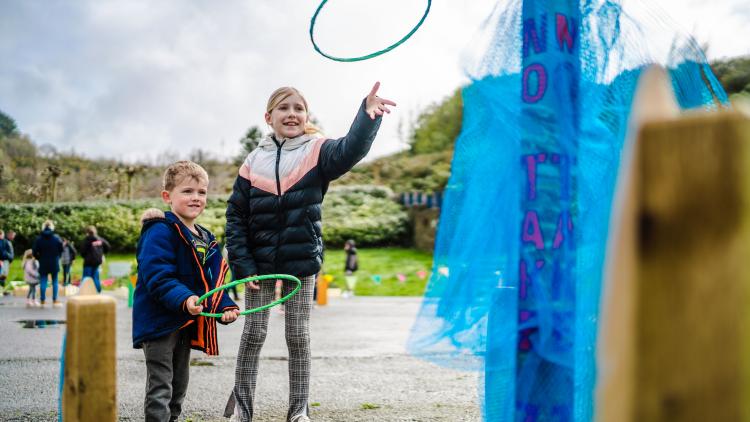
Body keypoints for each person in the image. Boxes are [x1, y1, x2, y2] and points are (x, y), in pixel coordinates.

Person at [224, 83, 395, 422]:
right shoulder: (251, 162)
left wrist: (366, 116)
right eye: (284, 108)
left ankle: (298, 411)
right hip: (257, 267)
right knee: (254, 333)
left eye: (298, 108)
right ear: (268, 117)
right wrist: (243, 266)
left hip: (300, 264)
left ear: (307, 116)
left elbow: (350, 150)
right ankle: (242, 411)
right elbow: (235, 217)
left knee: (298, 335)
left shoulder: (316, 151)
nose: (292, 114)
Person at [133, 161, 240, 422]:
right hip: (159, 323)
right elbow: (158, 276)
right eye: (188, 191)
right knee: (161, 386)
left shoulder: (205, 237)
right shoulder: (159, 231)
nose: (196, 198)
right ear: (167, 196)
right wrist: (185, 298)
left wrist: (225, 305)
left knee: (179, 386)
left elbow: (212, 284)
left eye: (201, 192)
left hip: (185, 321)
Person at [32, 220, 64, 307]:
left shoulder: (39, 239)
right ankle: (55, 300)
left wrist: (39, 258)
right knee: (55, 281)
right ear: (52, 227)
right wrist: (58, 256)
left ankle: (42, 300)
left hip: (43, 261)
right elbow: (61, 249)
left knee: (43, 280)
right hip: (54, 261)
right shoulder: (56, 238)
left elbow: (34, 252)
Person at [80, 225, 111, 293]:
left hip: (88, 262)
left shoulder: (86, 240)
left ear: (87, 232)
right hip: (97, 261)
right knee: (95, 277)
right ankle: (98, 291)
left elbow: (82, 251)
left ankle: (85, 292)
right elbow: (108, 246)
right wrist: (102, 253)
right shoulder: (100, 239)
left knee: (86, 277)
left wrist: (85, 256)